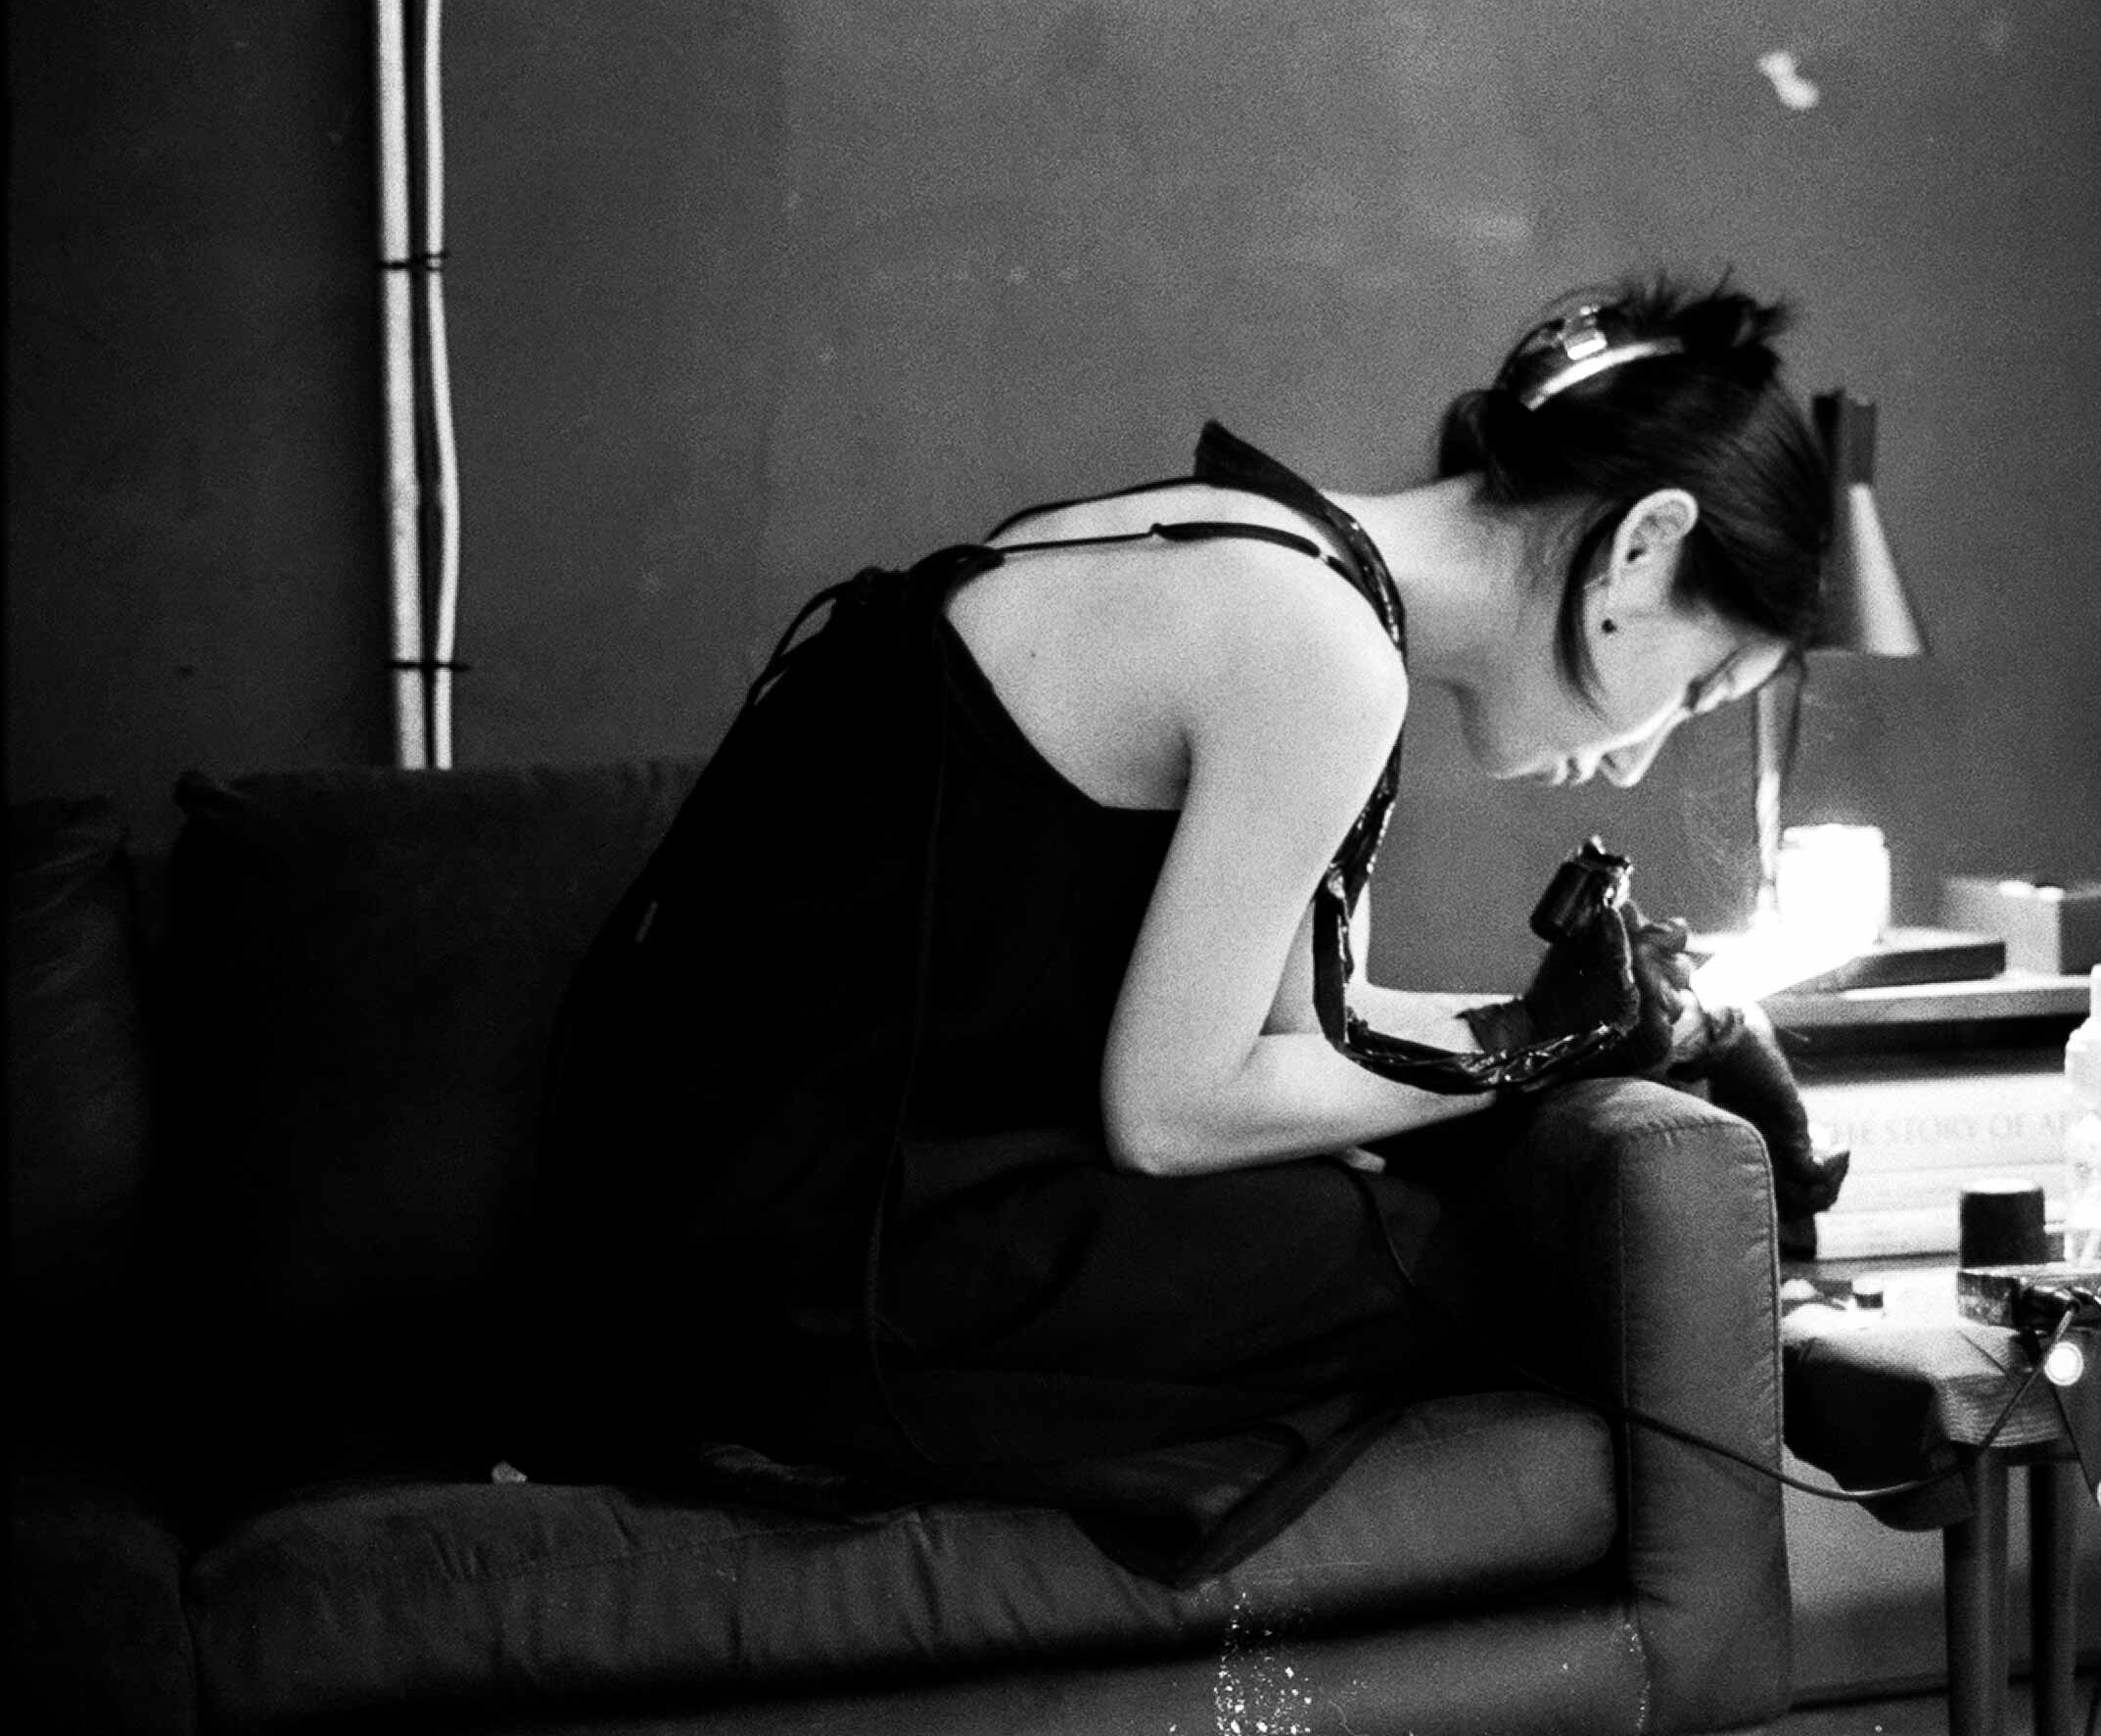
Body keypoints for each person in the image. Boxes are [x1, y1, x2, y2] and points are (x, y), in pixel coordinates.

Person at [536, 272, 1844, 1582]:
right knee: (1450, 1260)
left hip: (764, 1206)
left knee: (1436, 1204)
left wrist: (1608, 1025)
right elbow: (1173, 1115)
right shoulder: (1317, 648)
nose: (1640, 756)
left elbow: (1305, 1036)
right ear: (1644, 546)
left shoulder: (1280, 555)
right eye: (1698, 688)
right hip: (803, 1260)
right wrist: (1541, 1039)